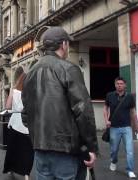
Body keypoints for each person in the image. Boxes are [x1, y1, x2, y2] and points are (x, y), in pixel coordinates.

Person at [21, 26, 98, 180]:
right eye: (68, 44)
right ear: (63, 44)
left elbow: (25, 115)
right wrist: (91, 147)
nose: (68, 47)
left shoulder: (30, 74)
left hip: (40, 150)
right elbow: (83, 111)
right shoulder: (69, 68)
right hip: (66, 151)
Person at [103, 77, 138, 178]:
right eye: (117, 83)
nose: (119, 85)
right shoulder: (109, 95)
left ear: (125, 85)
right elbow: (105, 108)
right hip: (114, 128)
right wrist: (106, 120)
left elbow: (133, 112)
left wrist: (136, 126)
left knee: (130, 150)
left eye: (121, 83)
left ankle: (130, 170)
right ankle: (113, 161)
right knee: (114, 150)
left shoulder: (129, 97)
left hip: (127, 127)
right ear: (115, 85)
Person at [2, 67, 34, 180]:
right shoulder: (32, 93)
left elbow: (7, 106)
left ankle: (10, 168)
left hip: (15, 123)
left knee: (12, 149)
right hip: (27, 125)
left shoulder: (14, 91)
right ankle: (26, 174)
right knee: (28, 151)